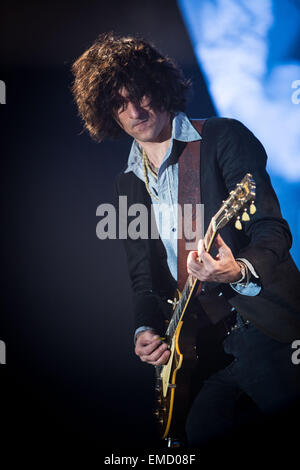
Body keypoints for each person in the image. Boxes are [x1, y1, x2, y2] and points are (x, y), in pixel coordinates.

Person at [71, 32, 300, 447]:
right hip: (199, 349)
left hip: (266, 329)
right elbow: (142, 277)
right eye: (119, 104)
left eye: (140, 94)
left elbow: (272, 229)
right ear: (108, 113)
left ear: (159, 87)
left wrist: (237, 269)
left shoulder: (224, 137)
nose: (136, 110)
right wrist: (144, 329)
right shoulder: (127, 184)